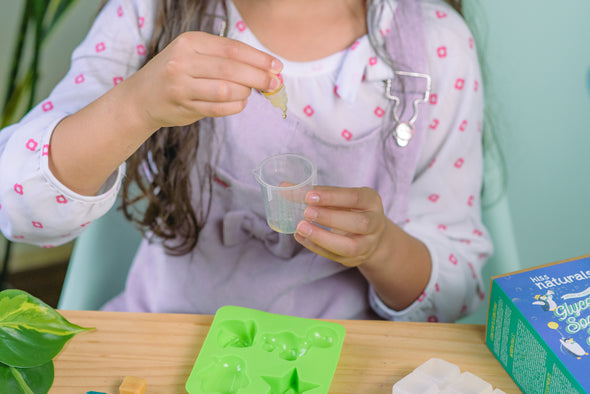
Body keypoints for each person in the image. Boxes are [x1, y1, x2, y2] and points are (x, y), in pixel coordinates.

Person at [0, 0, 493, 322]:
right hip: (166, 337)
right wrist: (136, 104)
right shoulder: (150, 14)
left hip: (348, 361)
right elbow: (17, 205)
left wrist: (382, 248)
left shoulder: (435, 49)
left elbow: (457, 288)